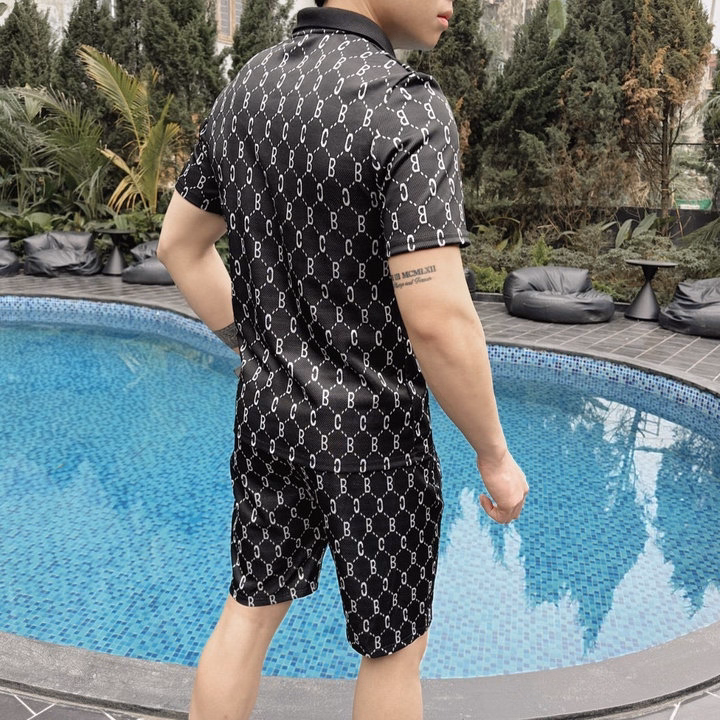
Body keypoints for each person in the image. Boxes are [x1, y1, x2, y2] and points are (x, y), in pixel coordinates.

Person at [157, 1, 529, 718]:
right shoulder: (408, 105)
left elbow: (180, 245)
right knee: (393, 652)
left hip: (269, 414)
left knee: (247, 615)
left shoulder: (248, 88)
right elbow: (437, 319)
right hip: (375, 436)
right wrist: (494, 455)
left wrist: (256, 344)